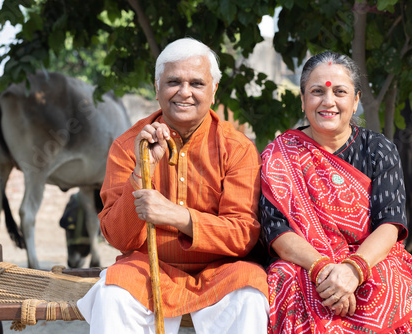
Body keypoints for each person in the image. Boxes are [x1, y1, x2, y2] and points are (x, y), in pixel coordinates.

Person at [77, 37, 269, 334]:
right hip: (147, 272)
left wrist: (178, 216)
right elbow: (117, 237)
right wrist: (141, 173)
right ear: (157, 88)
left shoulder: (238, 148)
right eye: (173, 82)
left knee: (250, 295)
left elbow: (243, 234)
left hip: (221, 273)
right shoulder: (129, 146)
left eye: (196, 83)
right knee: (112, 294)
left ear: (214, 90)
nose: (184, 92)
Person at [260, 51, 412, 333]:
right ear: (303, 100)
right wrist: (323, 269)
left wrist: (353, 269)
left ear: (356, 100)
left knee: (390, 280)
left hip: (368, 258)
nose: (328, 101)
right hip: (305, 263)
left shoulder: (378, 149)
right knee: (286, 279)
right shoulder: (279, 156)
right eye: (316, 92)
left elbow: (390, 224)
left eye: (340, 91)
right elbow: (275, 230)